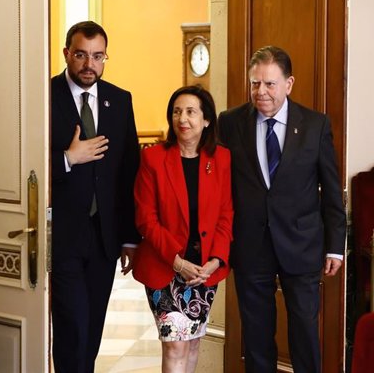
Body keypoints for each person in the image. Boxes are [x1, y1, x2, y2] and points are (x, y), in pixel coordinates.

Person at [218, 45, 346, 373]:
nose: (261, 92)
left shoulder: (315, 125)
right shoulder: (230, 123)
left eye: (270, 84)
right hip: (250, 246)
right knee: (257, 337)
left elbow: (332, 190)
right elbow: (221, 189)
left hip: (302, 245)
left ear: (289, 84)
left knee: (304, 332)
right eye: (255, 84)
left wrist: (335, 247)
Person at [50, 20, 141, 373]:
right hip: (64, 238)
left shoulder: (119, 100)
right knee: (72, 327)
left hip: (105, 239)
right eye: (81, 55)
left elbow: (129, 170)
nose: (89, 64)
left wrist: (130, 239)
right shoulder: (45, 96)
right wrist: (68, 159)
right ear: (67, 54)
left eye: (98, 56)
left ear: (106, 57)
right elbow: (24, 167)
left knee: (92, 331)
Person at [132, 85, 233, 373]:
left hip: (204, 273)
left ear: (206, 120)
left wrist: (215, 261)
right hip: (165, 269)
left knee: (191, 345)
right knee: (175, 346)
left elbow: (226, 214)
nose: (182, 119)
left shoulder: (222, 159)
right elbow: (146, 219)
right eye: (177, 112)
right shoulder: (153, 158)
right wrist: (178, 262)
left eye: (190, 112)